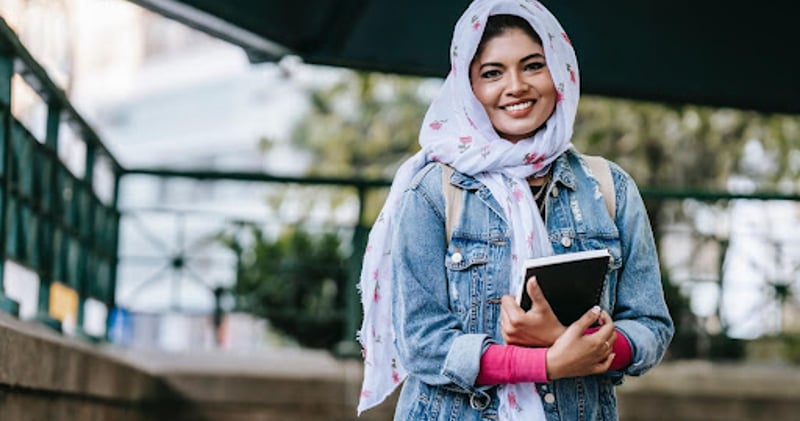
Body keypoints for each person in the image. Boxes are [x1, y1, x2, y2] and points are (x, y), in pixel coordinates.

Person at [357, 0, 674, 420]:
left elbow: (651, 326)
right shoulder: (432, 191)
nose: (516, 86)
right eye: (492, 73)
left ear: (560, 72)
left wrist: (574, 341)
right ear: (467, 86)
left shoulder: (609, 188)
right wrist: (548, 362)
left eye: (533, 66)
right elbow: (423, 343)